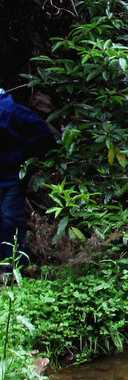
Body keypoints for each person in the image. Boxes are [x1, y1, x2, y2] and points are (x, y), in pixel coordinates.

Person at [0, 89, 56, 269]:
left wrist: (26, 158)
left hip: (14, 173)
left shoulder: (12, 112)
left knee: (9, 217)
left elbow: (45, 136)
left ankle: (17, 266)